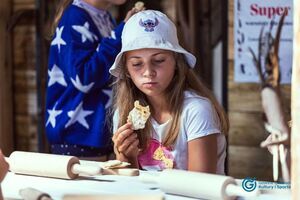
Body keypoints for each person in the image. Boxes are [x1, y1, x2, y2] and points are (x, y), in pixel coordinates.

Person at [110, 10, 229, 174]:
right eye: (137, 64)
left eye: (158, 60)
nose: (148, 72)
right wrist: (126, 158)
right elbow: (129, 188)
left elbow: (201, 186)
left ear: (177, 62)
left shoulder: (196, 110)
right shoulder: (123, 114)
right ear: (127, 70)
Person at [46, 0, 141, 160]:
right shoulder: (74, 17)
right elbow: (83, 77)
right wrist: (120, 32)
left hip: (98, 137)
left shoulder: (105, 17)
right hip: (77, 140)